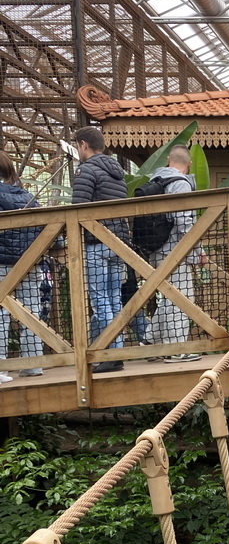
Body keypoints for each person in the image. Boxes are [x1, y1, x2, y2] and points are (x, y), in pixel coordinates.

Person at [72, 126, 130, 373]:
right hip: (118, 243)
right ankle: (116, 350)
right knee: (114, 298)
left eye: (77, 146)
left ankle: (111, 353)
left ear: (84, 144)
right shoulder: (118, 173)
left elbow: (77, 209)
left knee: (100, 300)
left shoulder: (86, 170)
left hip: (96, 242)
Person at [142, 145, 207, 363]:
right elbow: (184, 222)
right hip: (174, 251)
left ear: (168, 160)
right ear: (189, 165)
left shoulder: (156, 181)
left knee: (170, 298)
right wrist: (198, 251)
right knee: (182, 298)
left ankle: (150, 341)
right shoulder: (180, 184)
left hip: (155, 250)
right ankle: (176, 349)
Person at [0, 153, 44, 381]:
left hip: (2, 262)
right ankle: (34, 365)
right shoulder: (27, 196)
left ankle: (0, 369)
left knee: (1, 314)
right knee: (31, 310)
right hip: (29, 261)